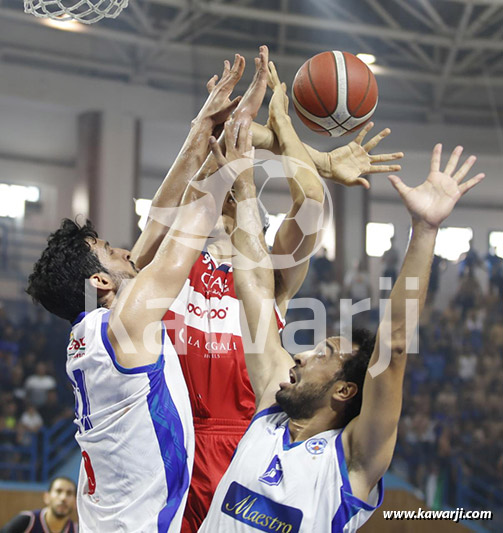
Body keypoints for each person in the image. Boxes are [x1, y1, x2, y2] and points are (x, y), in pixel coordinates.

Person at [136, 49, 403, 531]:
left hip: (243, 444)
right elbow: (188, 178)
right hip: (166, 439)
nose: (221, 205)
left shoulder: (267, 276)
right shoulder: (170, 264)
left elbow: (310, 206)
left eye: (234, 201)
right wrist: (312, 154)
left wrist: (296, 147)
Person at [201, 83, 485, 532]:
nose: (299, 354)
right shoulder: (269, 413)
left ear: (345, 391)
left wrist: (425, 231)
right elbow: (255, 283)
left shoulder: (353, 461)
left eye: (323, 355)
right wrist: (242, 177)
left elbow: (391, 348)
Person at [25, 53, 251, 532]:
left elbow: (158, 223)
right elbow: (185, 231)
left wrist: (201, 127)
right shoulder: (125, 323)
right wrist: (229, 159)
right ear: (100, 282)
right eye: (110, 250)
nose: (127, 250)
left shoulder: (97, 328)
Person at [0, 477, 77, 533]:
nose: (63, 498)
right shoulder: (27, 521)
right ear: (46, 497)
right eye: (58, 491)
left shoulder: (78, 530)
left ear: (76, 502)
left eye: (69, 493)